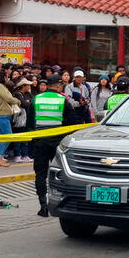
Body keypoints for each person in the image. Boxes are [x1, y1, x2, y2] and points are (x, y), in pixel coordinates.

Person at [28, 73, 75, 217]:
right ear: (58, 85)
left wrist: (31, 145)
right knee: (59, 174)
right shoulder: (63, 100)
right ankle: (58, 203)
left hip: (40, 141)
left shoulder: (36, 99)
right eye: (61, 85)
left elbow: (29, 124)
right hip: (58, 143)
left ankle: (43, 206)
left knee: (40, 175)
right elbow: (71, 124)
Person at [0, 69, 21, 167]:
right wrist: (17, 101)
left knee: (1, 137)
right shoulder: (0, 86)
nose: (8, 78)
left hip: (2, 115)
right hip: (2, 115)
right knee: (8, 136)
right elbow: (8, 98)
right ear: (3, 77)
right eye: (7, 76)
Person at [12, 76, 34, 163]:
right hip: (19, 118)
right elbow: (24, 104)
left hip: (26, 119)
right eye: (27, 85)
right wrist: (27, 102)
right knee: (18, 137)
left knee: (25, 138)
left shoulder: (28, 94)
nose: (29, 87)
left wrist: (28, 102)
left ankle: (25, 155)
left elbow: (31, 102)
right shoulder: (17, 94)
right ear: (23, 86)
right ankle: (17, 155)